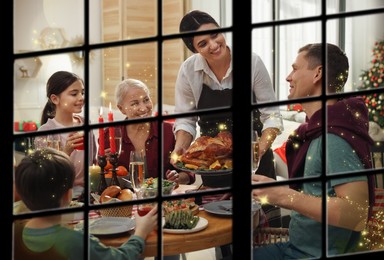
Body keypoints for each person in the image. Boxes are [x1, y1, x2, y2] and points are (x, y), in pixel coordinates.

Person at [252, 43, 376, 259]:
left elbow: (356, 213)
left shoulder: (334, 138)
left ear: (318, 73)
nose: (288, 77)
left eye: (295, 68)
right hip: (295, 247)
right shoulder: (317, 131)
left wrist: (283, 196)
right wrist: (274, 189)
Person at [171, 10, 283, 189]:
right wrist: (180, 148)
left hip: (256, 165)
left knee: (257, 216)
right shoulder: (188, 71)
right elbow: (186, 119)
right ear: (195, 50)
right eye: (203, 43)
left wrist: (257, 152)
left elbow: (272, 115)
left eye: (215, 35)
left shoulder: (252, 62)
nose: (214, 45)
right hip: (212, 165)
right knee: (215, 215)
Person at [14, 147, 158, 260]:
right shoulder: (75, 242)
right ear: (68, 195)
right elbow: (121, 258)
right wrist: (140, 232)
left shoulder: (16, 233)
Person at [102, 78, 195, 188]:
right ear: (121, 109)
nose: (143, 108)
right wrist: (104, 164)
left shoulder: (168, 131)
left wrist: (178, 178)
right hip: (127, 200)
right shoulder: (110, 135)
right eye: (135, 104)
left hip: (164, 199)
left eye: (146, 100)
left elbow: (189, 172)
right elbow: (101, 176)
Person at [34, 71, 97, 199]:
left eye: (82, 93)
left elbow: (93, 162)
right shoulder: (45, 133)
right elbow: (45, 174)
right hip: (60, 196)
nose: (81, 98)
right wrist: (65, 152)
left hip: (88, 194)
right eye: (74, 94)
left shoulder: (86, 124)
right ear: (55, 99)